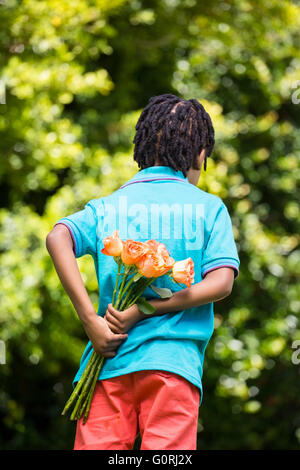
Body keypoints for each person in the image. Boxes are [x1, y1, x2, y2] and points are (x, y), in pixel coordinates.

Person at [46, 93, 240, 450]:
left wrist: (90, 320)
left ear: (144, 145)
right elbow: (222, 282)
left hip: (109, 362)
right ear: (198, 153)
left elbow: (58, 237)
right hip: (173, 366)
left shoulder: (109, 206)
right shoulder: (209, 208)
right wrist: (151, 309)